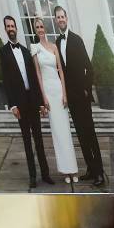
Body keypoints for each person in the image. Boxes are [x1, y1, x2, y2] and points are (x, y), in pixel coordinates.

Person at [0, 15, 54, 188]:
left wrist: (40, 103)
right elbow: (6, 81)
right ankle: (32, 176)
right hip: (20, 105)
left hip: (32, 101)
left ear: (16, 27)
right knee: (27, 141)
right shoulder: (3, 52)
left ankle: (45, 174)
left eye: (12, 25)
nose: (11, 28)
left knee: (39, 139)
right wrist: (12, 105)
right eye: (8, 26)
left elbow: (34, 78)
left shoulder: (24, 50)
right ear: (6, 29)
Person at [54, 6, 105, 186]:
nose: (60, 19)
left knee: (90, 134)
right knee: (81, 136)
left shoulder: (77, 40)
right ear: (55, 20)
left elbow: (88, 68)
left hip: (82, 96)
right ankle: (90, 169)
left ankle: (100, 173)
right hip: (71, 98)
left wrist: (86, 89)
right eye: (57, 17)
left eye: (62, 16)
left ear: (66, 18)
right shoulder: (56, 43)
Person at [30, 18, 79, 184]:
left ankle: (73, 169)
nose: (40, 29)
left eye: (42, 26)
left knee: (66, 131)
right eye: (37, 27)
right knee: (57, 133)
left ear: (45, 27)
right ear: (35, 30)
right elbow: (37, 74)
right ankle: (65, 171)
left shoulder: (54, 47)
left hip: (59, 91)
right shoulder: (34, 48)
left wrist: (65, 94)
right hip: (48, 93)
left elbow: (61, 71)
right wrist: (43, 98)